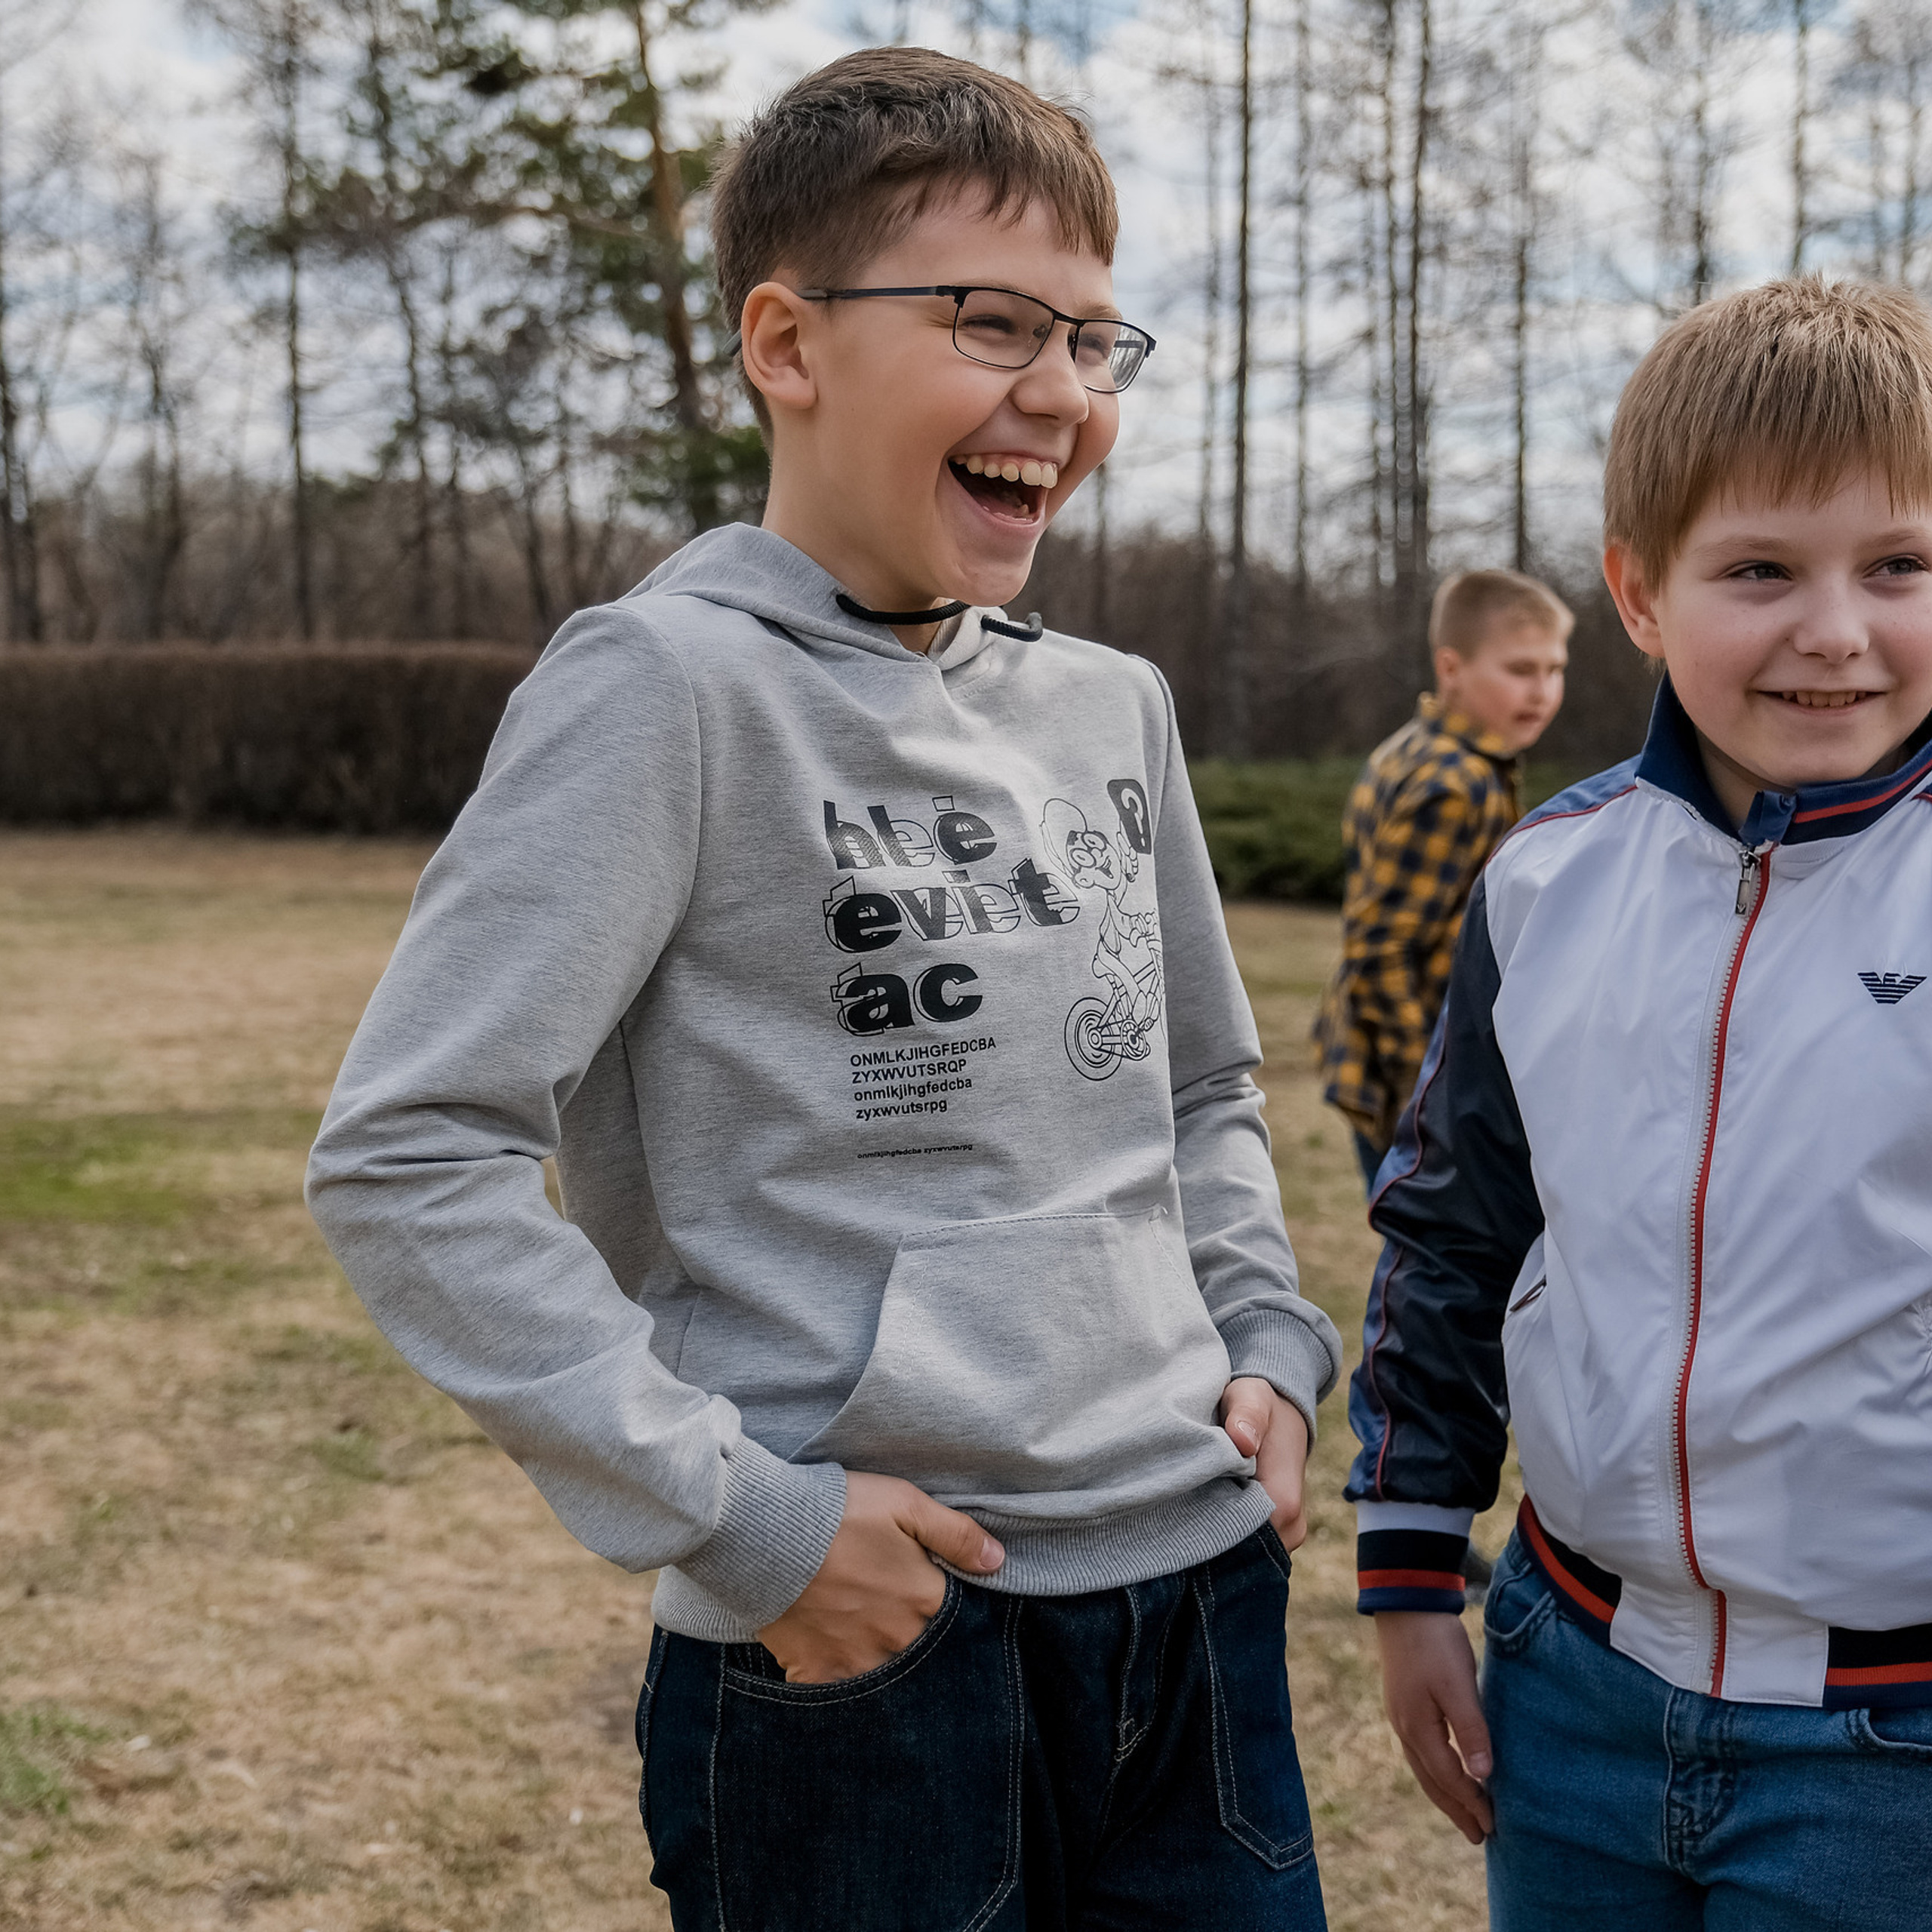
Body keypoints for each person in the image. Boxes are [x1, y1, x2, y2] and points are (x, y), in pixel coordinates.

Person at [306, 47, 1341, 1931]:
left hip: (1195, 1605)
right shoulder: (663, 689)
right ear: (787, 343)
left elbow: (1195, 1087)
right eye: (994, 322)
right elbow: (411, 1153)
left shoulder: (1116, 705)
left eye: (1098, 343)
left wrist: (1266, 1341)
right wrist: (754, 1521)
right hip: (870, 1649)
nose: (1060, 393)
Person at [1348, 275, 1932, 1931]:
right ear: (1637, 592)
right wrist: (1408, 1574)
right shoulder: (1543, 880)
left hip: (1884, 1750)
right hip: (1569, 1687)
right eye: (1758, 569)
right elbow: (1452, 1227)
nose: (1832, 626)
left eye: (1894, 565)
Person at [1312, 570, 1570, 1192]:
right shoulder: (1456, 785)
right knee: (1430, 1274)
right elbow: (1381, 949)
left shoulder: (1414, 748)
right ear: (1451, 668)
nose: (1542, 691)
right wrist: (1429, 1099)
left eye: (1554, 669)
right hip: (1410, 1085)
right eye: (1520, 670)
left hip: (1382, 1066)